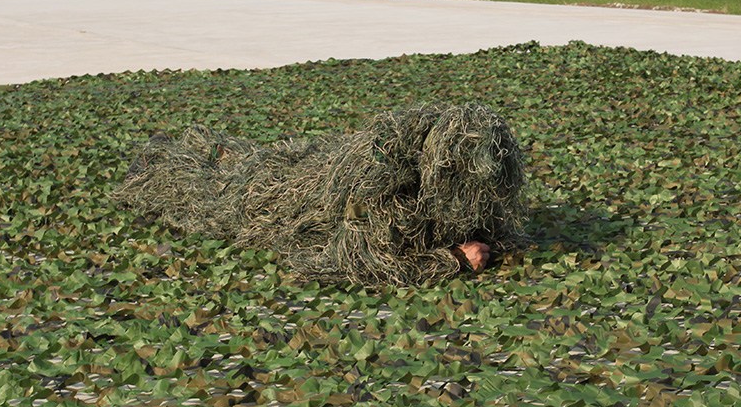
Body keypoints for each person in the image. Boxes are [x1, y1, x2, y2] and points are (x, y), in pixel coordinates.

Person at [114, 103, 525, 286]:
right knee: (213, 195)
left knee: (251, 165)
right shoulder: (382, 176)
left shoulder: (471, 163)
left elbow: (492, 220)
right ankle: (155, 165)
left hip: (310, 168)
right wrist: (452, 258)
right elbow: (358, 260)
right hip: (285, 200)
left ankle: (216, 154)